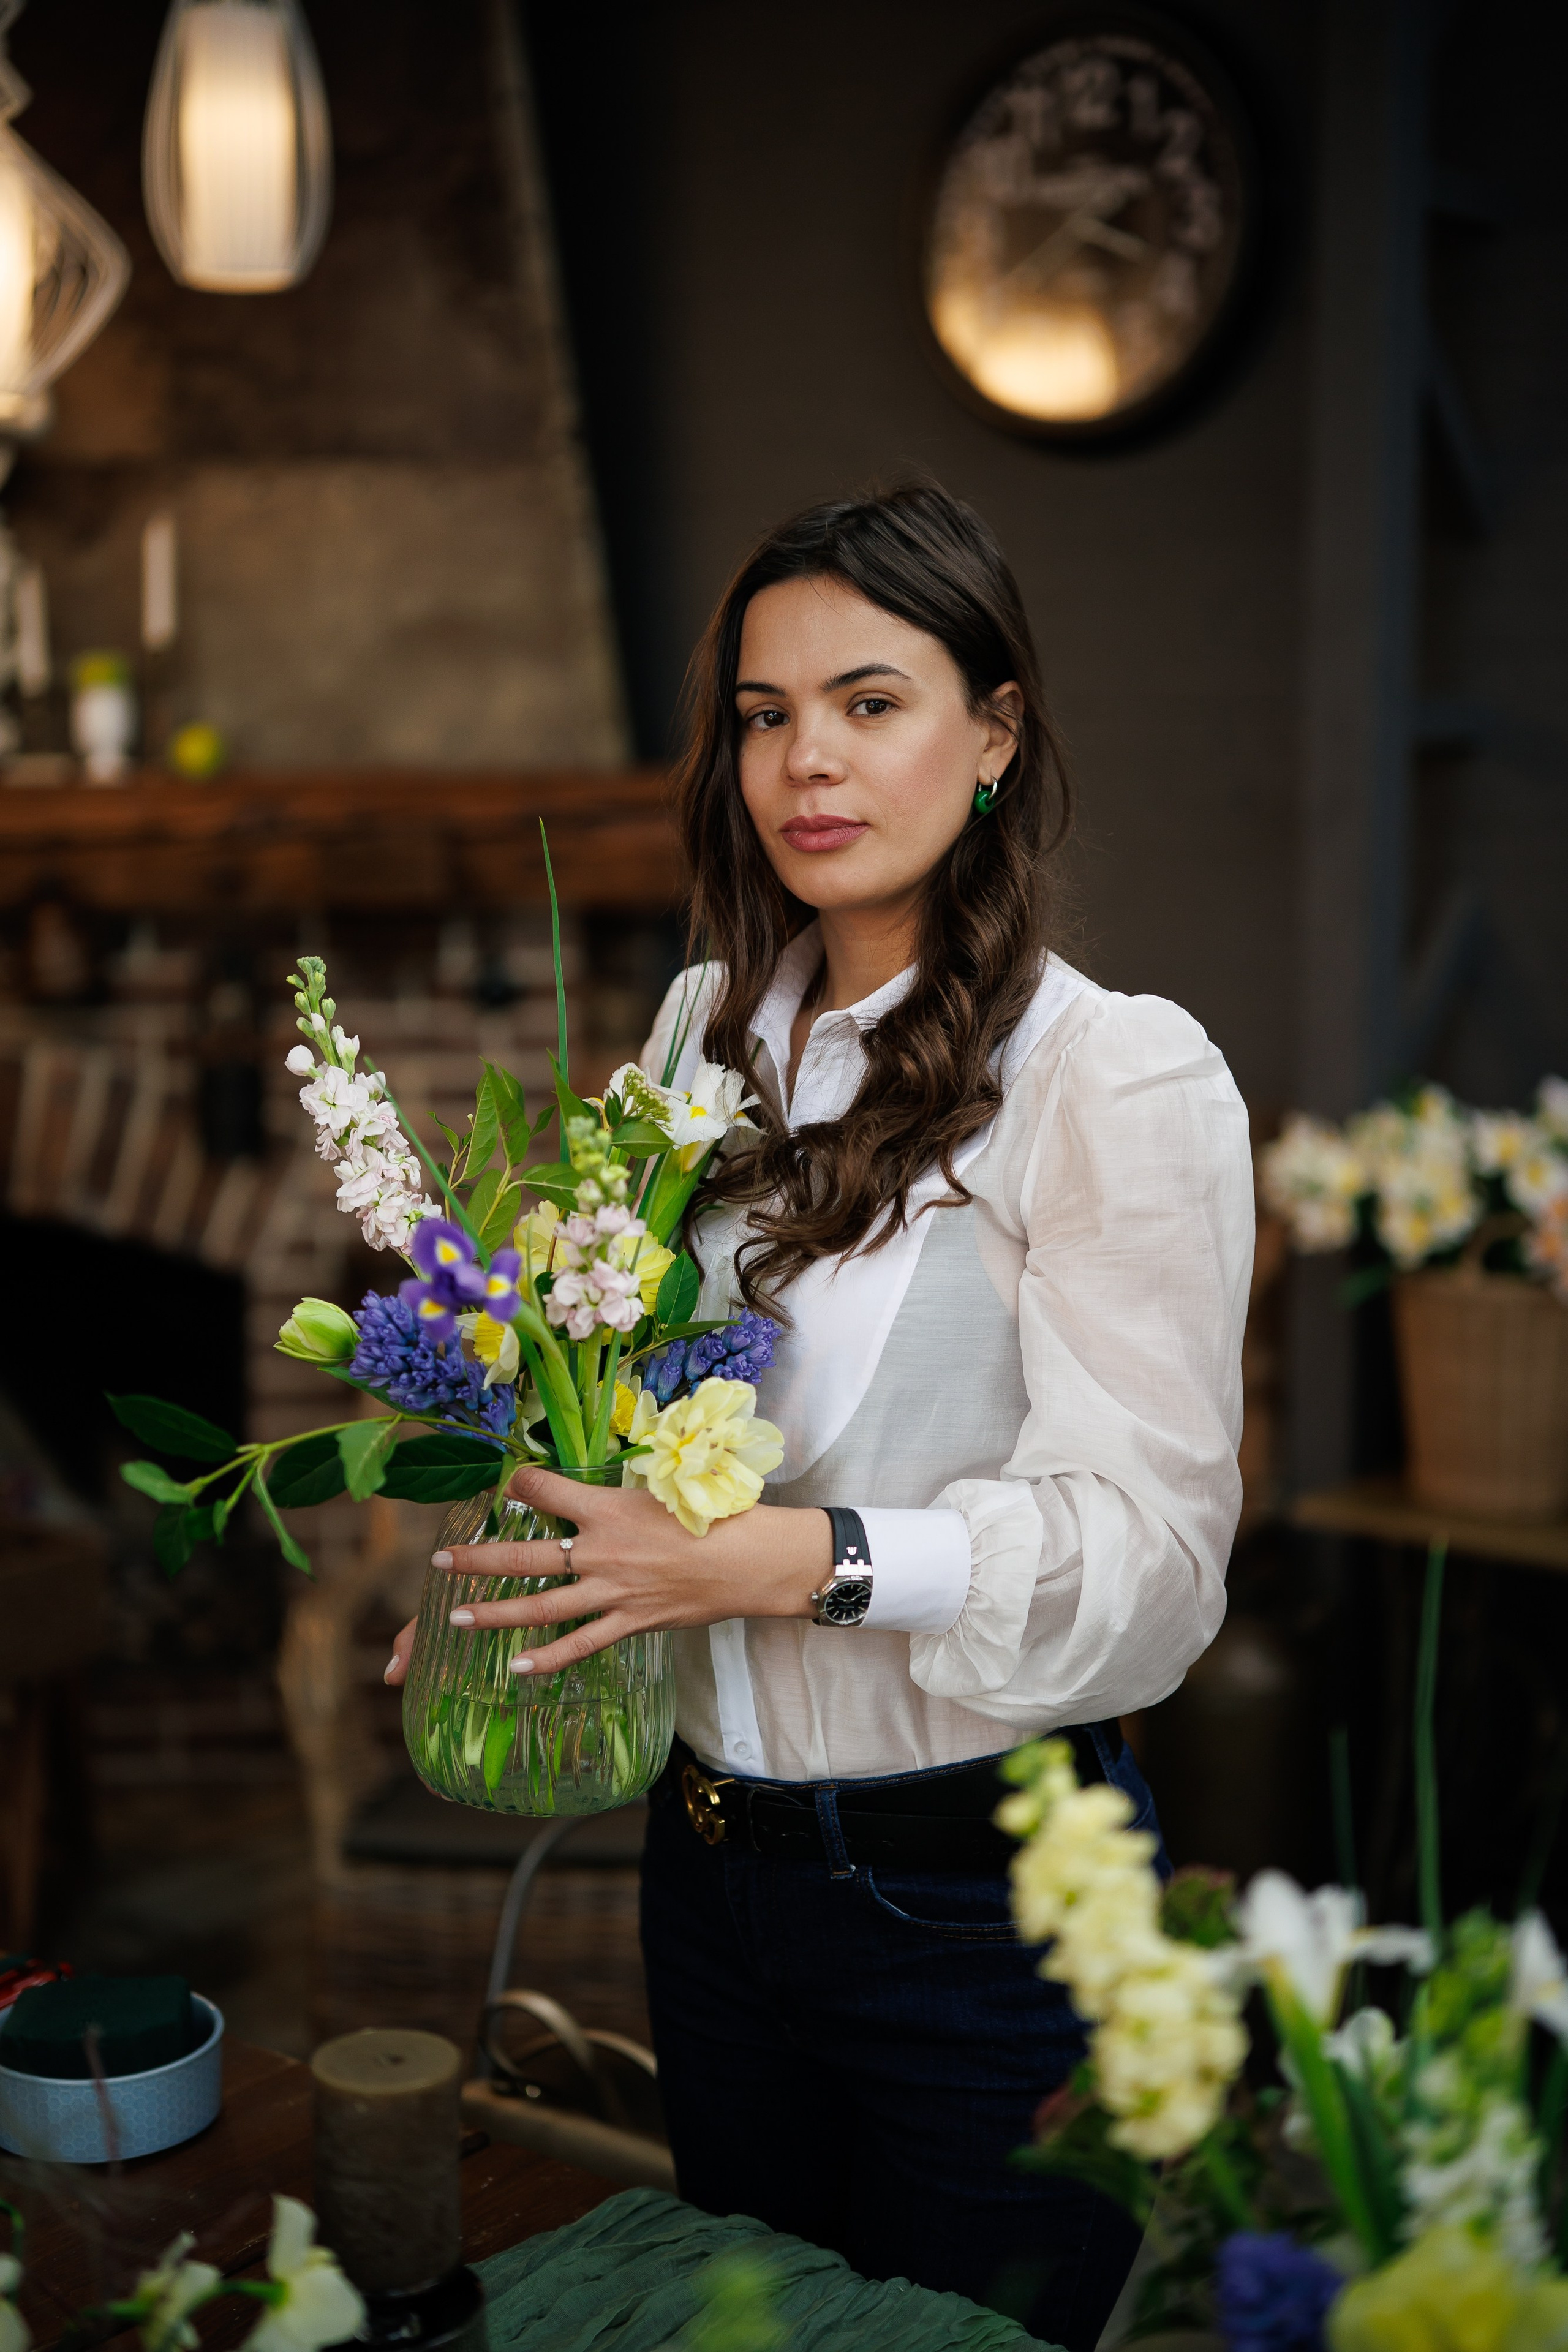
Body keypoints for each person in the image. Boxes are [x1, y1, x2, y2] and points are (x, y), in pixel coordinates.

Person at [386, 482, 1253, 2351]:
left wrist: (791, 1562)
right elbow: (616, 1396)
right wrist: (536, 1573)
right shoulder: (703, 1037)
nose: (807, 762)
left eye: (871, 702)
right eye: (766, 715)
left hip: (978, 1917)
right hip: (707, 1889)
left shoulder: (1111, 1077)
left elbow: (1156, 1569)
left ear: (996, 734)